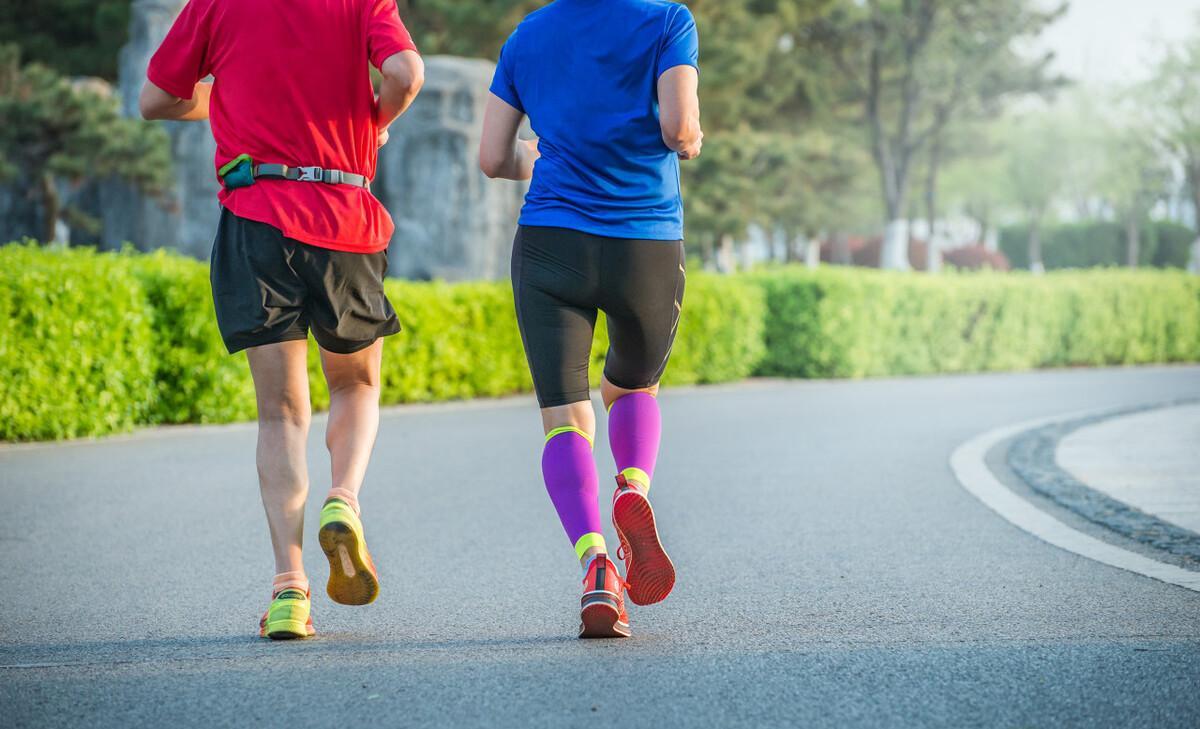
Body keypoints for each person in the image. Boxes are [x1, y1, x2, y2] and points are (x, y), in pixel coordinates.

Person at [140, 0, 424, 640]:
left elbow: (155, 99)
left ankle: (289, 590)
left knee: (281, 413)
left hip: (256, 215)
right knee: (353, 385)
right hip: (343, 214)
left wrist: (230, 97)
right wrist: (375, 118)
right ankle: (343, 499)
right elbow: (407, 71)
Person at [478, 0, 702, 638]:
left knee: (565, 417)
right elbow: (677, 127)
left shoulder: (528, 34)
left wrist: (542, 159)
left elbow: (493, 158)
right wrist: (691, 138)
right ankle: (632, 484)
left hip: (550, 241)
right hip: (644, 243)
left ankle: (596, 563)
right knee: (632, 386)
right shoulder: (666, 21)